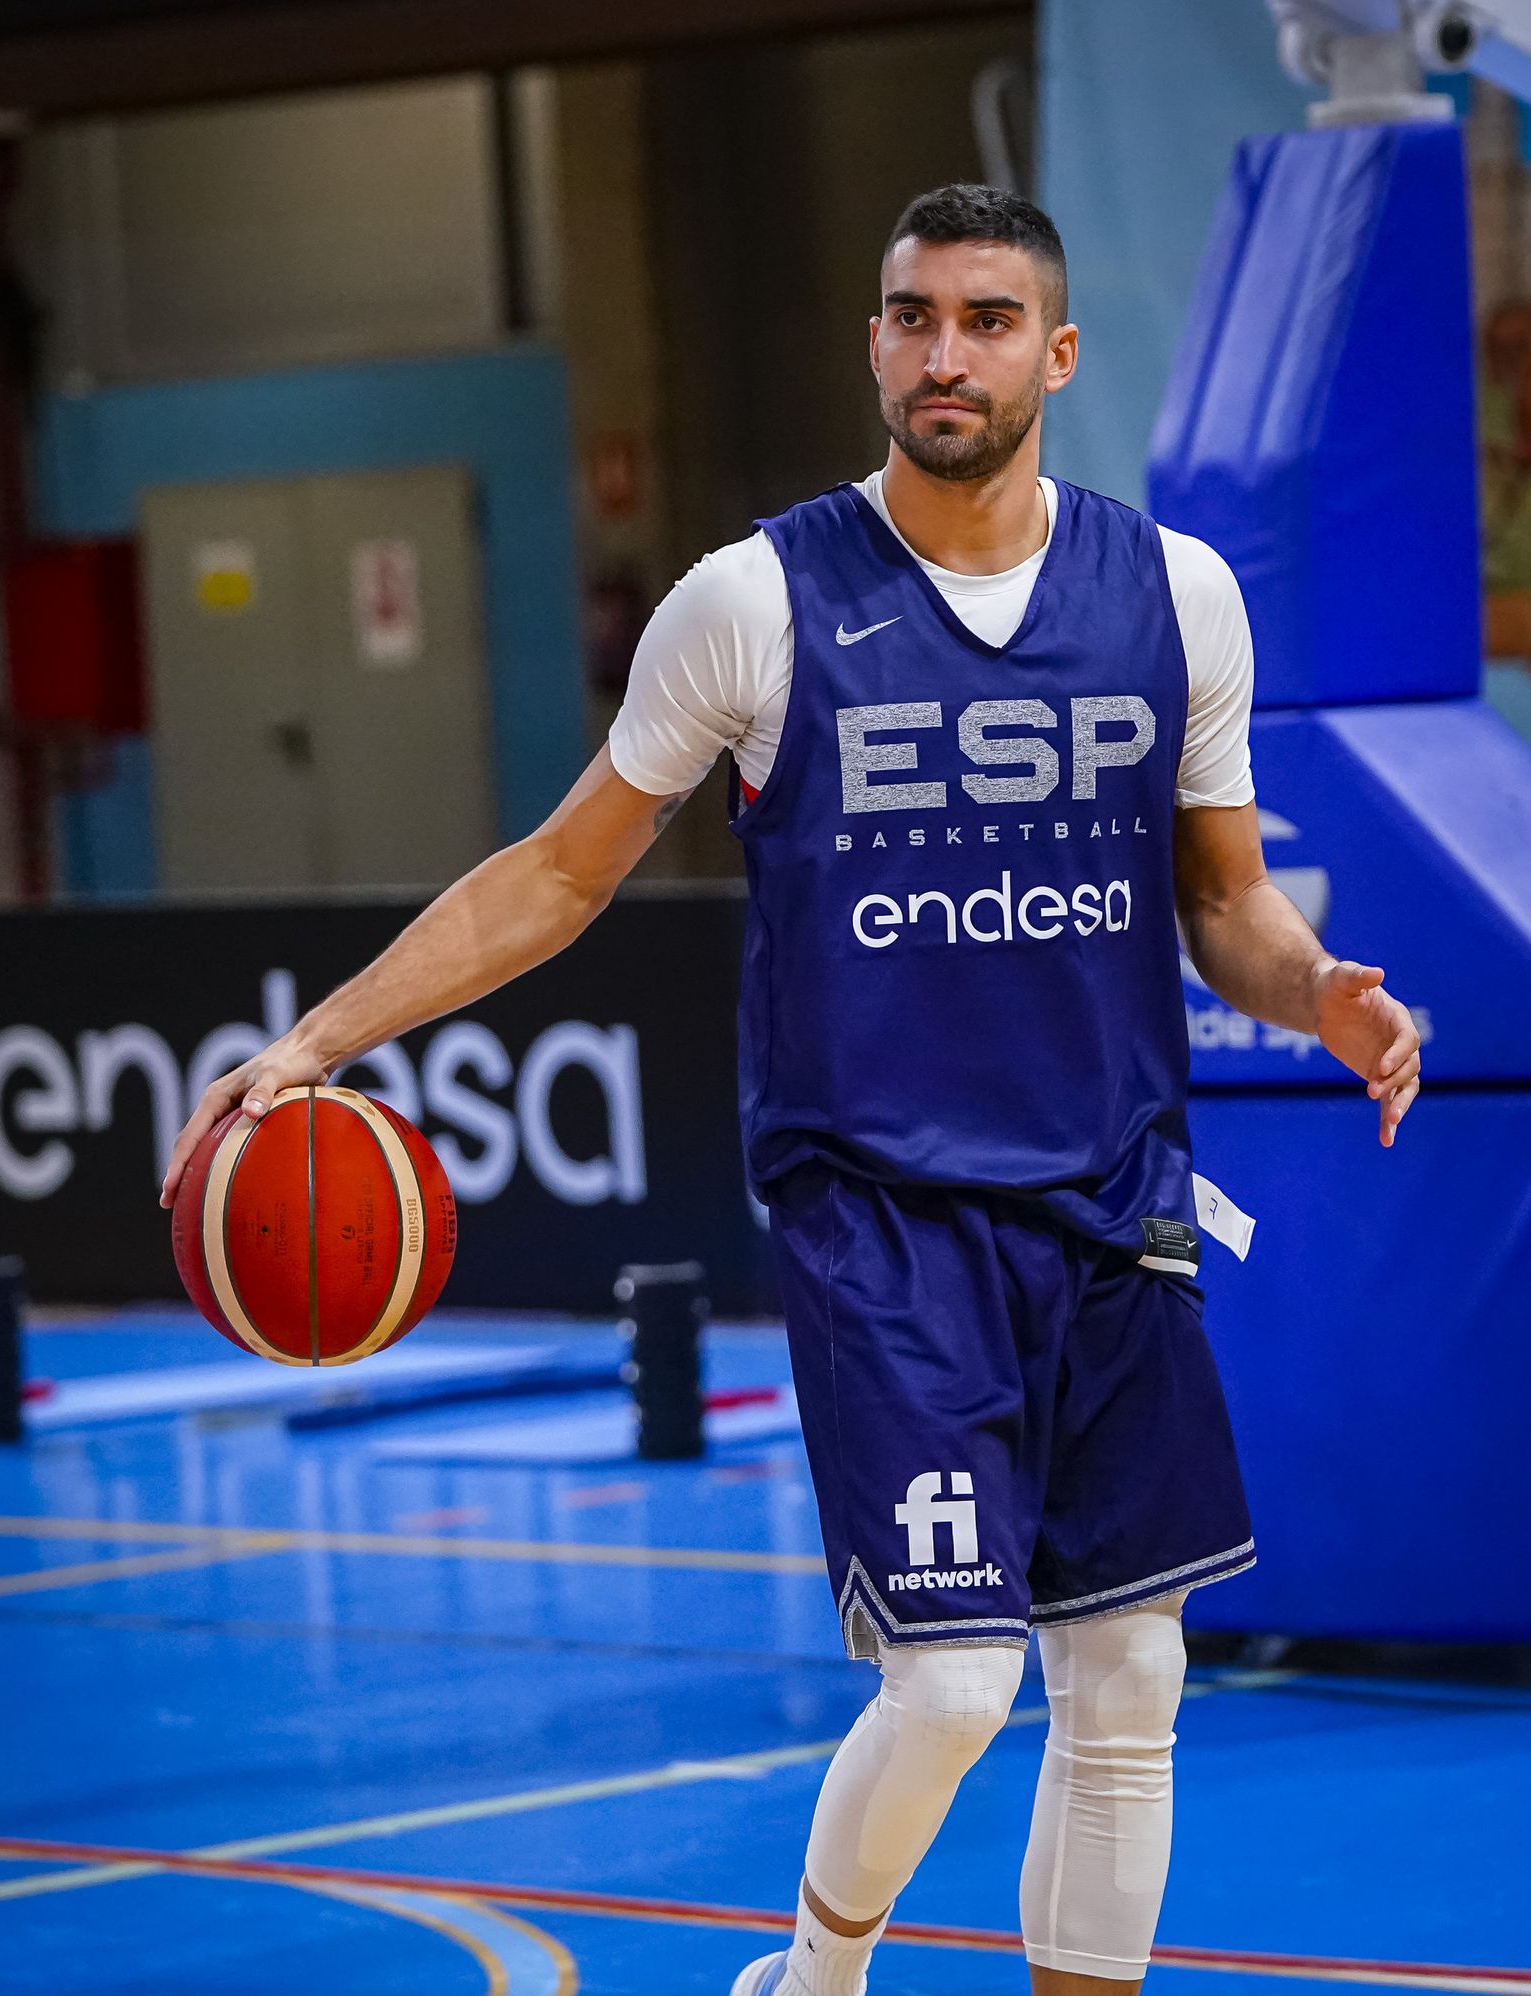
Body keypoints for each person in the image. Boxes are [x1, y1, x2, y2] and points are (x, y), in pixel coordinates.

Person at [160, 184, 1421, 1996]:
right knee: (960, 1677)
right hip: (883, 1215)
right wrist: (319, 1041)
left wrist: (1321, 997)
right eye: (913, 317)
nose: (945, 352)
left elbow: (1223, 907)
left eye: (988, 320)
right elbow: (556, 872)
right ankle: (814, 1977)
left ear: (1057, 355)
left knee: (1133, 1676)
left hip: (1110, 1202)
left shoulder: (1178, 595)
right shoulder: (754, 601)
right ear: (875, 346)